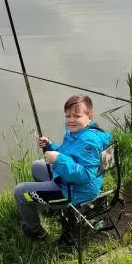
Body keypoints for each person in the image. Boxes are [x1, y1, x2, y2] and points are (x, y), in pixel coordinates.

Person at [14, 95, 112, 241]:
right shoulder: (78, 133)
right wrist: (50, 146)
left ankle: (36, 232)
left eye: (77, 116)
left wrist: (59, 159)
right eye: (68, 116)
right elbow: (70, 154)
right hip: (70, 183)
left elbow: (86, 175)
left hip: (74, 192)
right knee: (37, 166)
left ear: (90, 117)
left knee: (20, 192)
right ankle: (51, 205)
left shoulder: (88, 141)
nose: (71, 120)